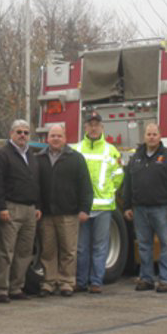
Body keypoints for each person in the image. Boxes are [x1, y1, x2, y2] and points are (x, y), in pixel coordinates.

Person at [122, 122, 167, 293]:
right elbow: (128, 183)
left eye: (154, 134)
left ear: (160, 136)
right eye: (148, 134)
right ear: (144, 137)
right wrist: (127, 205)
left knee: (166, 245)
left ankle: (165, 280)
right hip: (140, 209)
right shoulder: (136, 157)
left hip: (162, 209)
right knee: (143, 246)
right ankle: (147, 279)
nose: (151, 137)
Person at [35, 124, 93, 297]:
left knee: (69, 250)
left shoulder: (76, 158)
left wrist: (84, 209)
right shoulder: (39, 159)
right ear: (47, 139)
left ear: (65, 138)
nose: (55, 139)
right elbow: (35, 186)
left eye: (59, 136)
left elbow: (85, 186)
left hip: (69, 213)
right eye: (52, 136)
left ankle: (67, 282)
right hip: (46, 214)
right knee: (48, 250)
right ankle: (49, 282)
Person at [0, 119, 41, 303]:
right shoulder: (2, 155)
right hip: (10, 208)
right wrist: (1, 207)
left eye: (26, 133)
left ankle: (16, 287)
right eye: (19, 132)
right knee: (5, 251)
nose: (22, 136)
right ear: (11, 133)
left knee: (24, 252)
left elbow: (36, 182)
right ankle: (0, 289)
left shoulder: (32, 155)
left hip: (30, 210)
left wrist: (38, 206)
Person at [72, 111, 123, 294]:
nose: (93, 128)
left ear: (102, 128)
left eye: (97, 125)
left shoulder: (111, 150)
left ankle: (96, 282)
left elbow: (118, 176)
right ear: (85, 127)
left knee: (100, 246)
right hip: (82, 208)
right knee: (81, 247)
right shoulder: (76, 149)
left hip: (103, 207)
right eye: (90, 124)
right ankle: (81, 281)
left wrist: (109, 192)